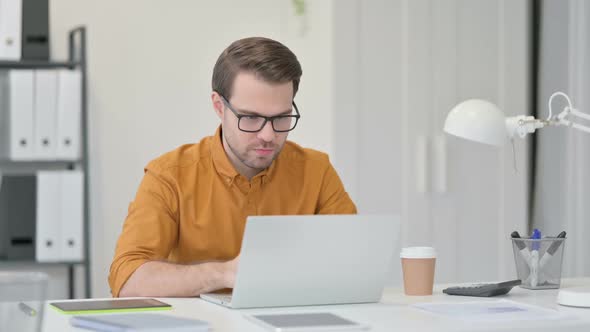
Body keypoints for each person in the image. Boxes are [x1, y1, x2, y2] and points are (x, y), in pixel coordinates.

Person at [108, 37, 356, 298]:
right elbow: (127, 280)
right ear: (219, 106)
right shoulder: (170, 175)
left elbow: (352, 264)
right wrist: (223, 274)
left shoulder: (317, 171)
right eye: (251, 117)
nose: (268, 135)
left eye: (281, 117)